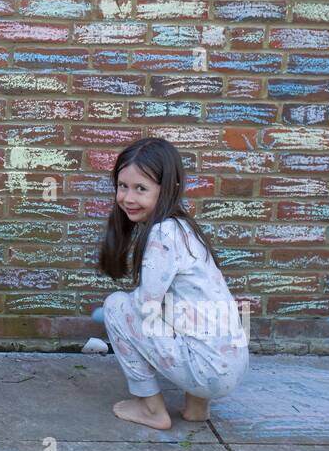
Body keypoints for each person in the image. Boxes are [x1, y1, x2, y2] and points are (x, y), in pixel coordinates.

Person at [95, 137, 249, 430]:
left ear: (167, 189)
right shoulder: (185, 228)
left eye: (141, 188)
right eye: (122, 186)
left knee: (117, 305)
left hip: (208, 369)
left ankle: (150, 408)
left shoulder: (163, 234)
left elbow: (145, 306)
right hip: (231, 363)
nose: (128, 198)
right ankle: (196, 408)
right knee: (186, 308)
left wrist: (114, 318)